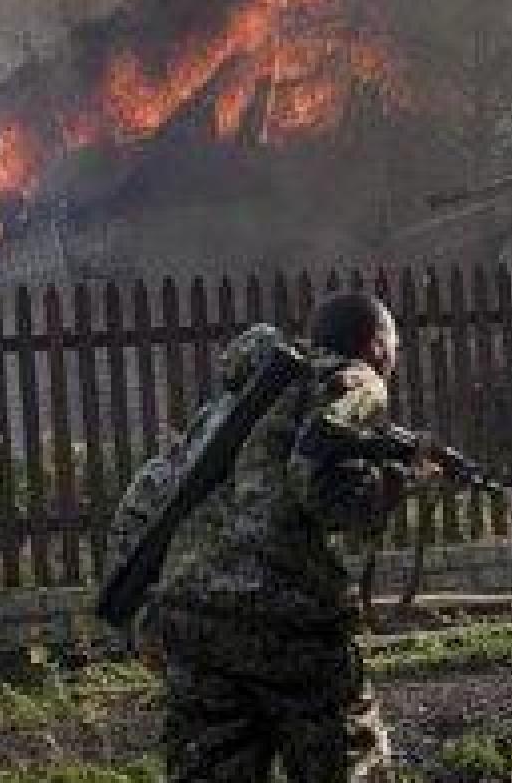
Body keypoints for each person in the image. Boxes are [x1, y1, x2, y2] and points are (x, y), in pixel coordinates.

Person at [102, 292, 439, 782]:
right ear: (376, 346)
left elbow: (152, 485)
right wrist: (399, 482)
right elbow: (320, 487)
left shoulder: (244, 395)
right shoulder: (353, 383)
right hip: (287, 624)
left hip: (193, 622)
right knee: (351, 766)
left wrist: (147, 618)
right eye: (393, 348)